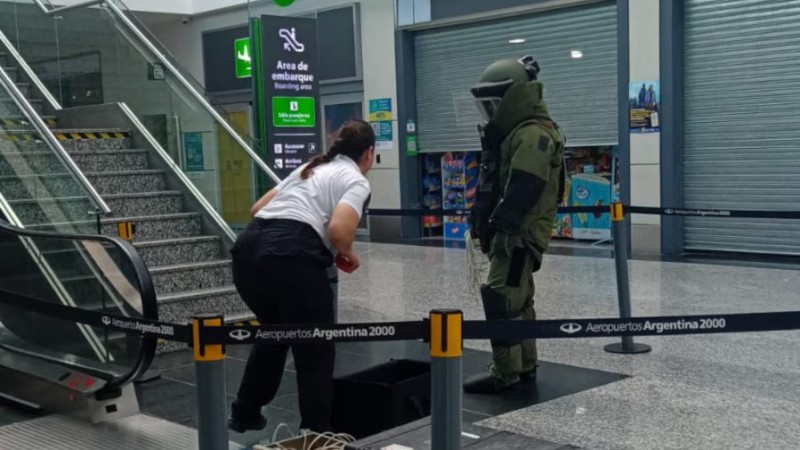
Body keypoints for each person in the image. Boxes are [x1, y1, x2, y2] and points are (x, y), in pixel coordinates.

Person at [227, 120, 375, 433]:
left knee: (274, 332)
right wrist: (349, 253)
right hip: (291, 258)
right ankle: (316, 432)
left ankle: (245, 411)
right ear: (368, 153)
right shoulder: (356, 180)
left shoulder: (310, 167)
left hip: (247, 253)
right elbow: (339, 230)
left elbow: (257, 208)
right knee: (316, 348)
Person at [465, 55, 565, 394]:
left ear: (515, 97)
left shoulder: (532, 135)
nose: (490, 113)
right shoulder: (522, 133)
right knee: (518, 300)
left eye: (495, 105)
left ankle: (505, 372)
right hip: (516, 234)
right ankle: (524, 366)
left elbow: (524, 188)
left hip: (517, 236)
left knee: (501, 299)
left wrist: (500, 228)